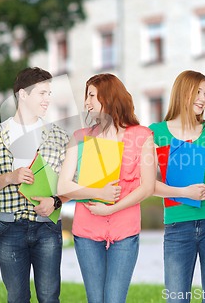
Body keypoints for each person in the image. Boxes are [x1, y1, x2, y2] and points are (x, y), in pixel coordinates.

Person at [0, 67, 70, 303]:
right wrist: (9, 177)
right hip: (11, 228)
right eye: (42, 93)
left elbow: (71, 183)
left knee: (49, 297)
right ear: (23, 95)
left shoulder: (58, 136)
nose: (48, 99)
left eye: (49, 93)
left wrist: (55, 201)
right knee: (16, 297)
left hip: (47, 227)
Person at [57, 73, 156, 303]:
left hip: (125, 230)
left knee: (113, 299)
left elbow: (148, 186)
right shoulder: (80, 137)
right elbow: (63, 185)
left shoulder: (142, 136)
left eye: (91, 96)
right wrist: (97, 193)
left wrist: (111, 208)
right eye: (86, 96)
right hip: (87, 230)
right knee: (96, 299)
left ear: (109, 97)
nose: (86, 103)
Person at [149, 70, 205, 303]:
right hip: (177, 224)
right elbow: (148, 185)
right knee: (176, 298)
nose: (203, 98)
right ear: (182, 92)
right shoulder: (156, 133)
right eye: (197, 92)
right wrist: (183, 193)